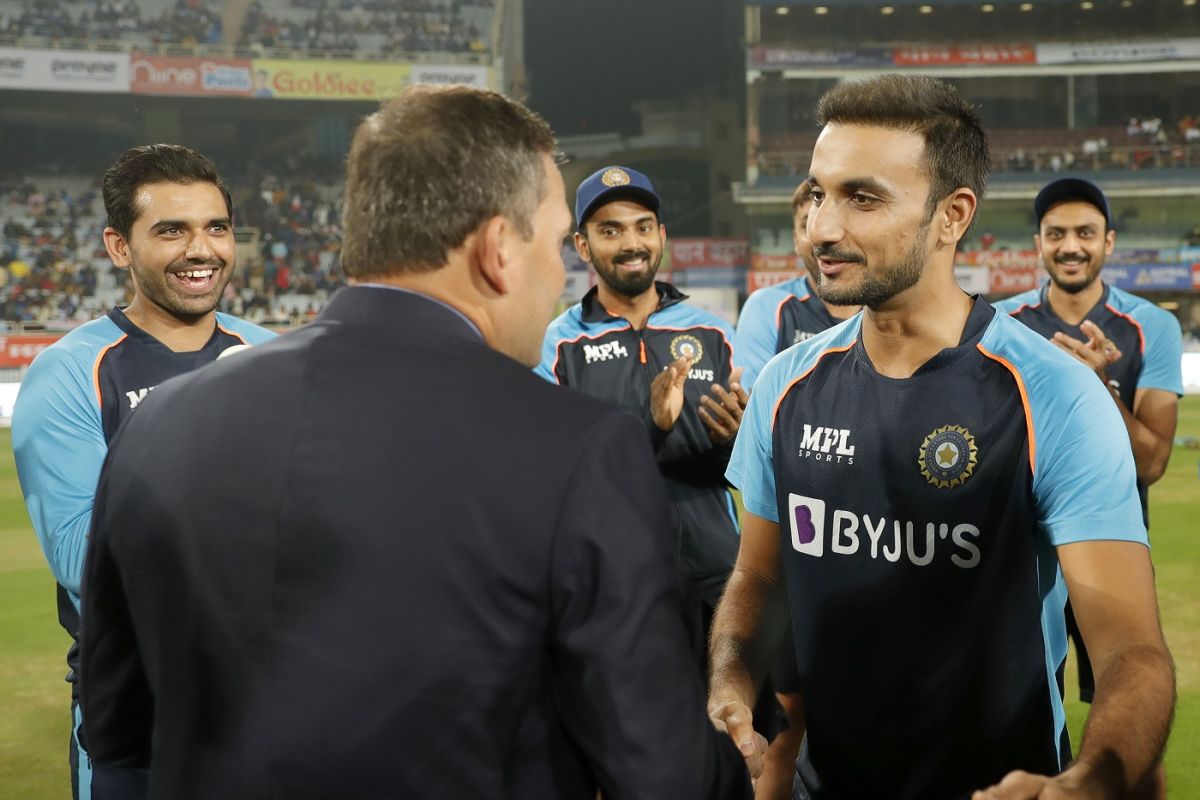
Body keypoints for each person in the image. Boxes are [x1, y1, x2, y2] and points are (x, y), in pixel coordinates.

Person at [79, 86, 753, 800]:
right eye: (558, 242)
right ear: (498, 251)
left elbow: (118, 727)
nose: (561, 273)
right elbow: (662, 773)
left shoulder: (159, 423)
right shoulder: (578, 451)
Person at [708, 74, 1174, 800]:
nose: (823, 227)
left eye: (862, 198)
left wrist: (1095, 778)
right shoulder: (784, 388)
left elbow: (1130, 652)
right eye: (817, 194)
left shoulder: (1052, 395)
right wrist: (731, 678)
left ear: (952, 216)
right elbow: (757, 580)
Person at [12, 143, 275, 800]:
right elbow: (84, 558)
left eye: (216, 227)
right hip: (135, 721)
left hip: (270, 706)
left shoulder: (273, 357)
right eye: (171, 230)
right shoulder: (72, 372)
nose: (202, 249)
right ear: (119, 246)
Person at [537, 165, 748, 664]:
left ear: (661, 236)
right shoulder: (561, 344)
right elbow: (558, 472)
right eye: (610, 231)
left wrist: (735, 440)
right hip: (614, 580)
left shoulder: (714, 333)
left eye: (642, 227)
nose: (631, 243)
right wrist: (649, 424)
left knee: (731, 730)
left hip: (715, 578)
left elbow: (748, 470)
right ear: (583, 246)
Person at [993, 177, 1183, 707]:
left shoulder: (1150, 326)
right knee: (1021, 721)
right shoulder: (1002, 324)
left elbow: (1152, 462)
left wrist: (1095, 387)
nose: (1071, 246)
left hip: (1110, 549)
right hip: (1018, 558)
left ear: (1109, 242)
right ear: (1038, 244)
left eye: (1085, 232)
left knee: (1129, 720)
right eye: (1056, 233)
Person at [731, 178, 860, 799]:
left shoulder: (883, 307)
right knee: (785, 722)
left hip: (870, 551)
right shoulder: (771, 310)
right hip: (796, 547)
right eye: (811, 211)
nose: (824, 225)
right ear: (799, 231)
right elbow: (764, 417)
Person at [735, 180, 861, 389]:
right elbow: (757, 408)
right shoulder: (768, 307)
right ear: (795, 241)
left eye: (833, 222)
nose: (821, 236)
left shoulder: (886, 311)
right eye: (807, 224)